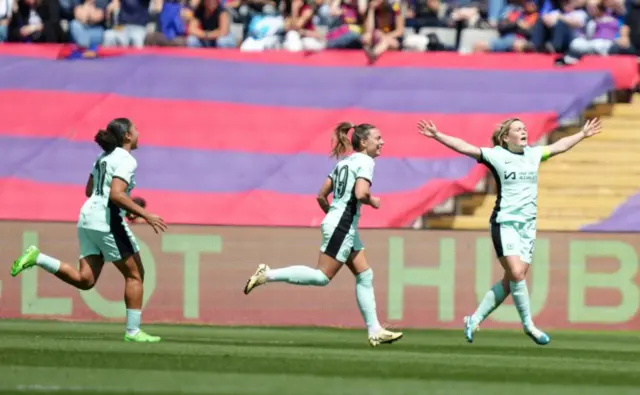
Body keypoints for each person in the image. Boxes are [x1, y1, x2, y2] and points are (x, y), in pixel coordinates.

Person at [416, 117, 603, 345]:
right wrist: (438, 135)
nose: (524, 131)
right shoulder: (497, 156)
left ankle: (473, 319)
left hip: (528, 225)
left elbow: (558, 146)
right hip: (505, 223)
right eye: (518, 129)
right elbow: (466, 148)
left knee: (513, 278)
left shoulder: (533, 155)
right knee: (516, 273)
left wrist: (582, 134)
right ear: (506, 138)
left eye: (524, 128)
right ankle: (528, 325)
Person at [243, 122, 403, 347]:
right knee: (322, 277)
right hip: (343, 225)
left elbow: (321, 196)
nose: (382, 142)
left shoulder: (344, 163)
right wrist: (372, 201)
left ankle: (375, 329)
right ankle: (267, 274)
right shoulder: (366, 162)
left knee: (365, 275)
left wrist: (333, 217)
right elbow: (361, 192)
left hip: (340, 223)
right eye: (378, 138)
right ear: (364, 142)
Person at [11, 118, 168, 343]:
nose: (139, 133)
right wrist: (145, 214)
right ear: (127, 136)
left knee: (86, 280)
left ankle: (38, 257)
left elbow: (90, 190)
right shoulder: (127, 160)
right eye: (136, 129)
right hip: (106, 220)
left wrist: (126, 208)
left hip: (87, 217)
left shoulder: (102, 157)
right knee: (135, 274)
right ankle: (133, 332)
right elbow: (115, 194)